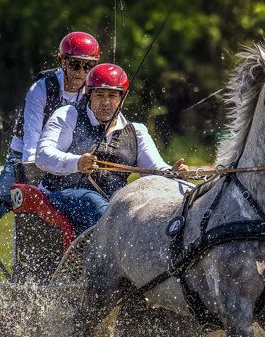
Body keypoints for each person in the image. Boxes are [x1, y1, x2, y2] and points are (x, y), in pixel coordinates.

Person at [0, 32, 101, 284]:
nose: (81, 72)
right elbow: (32, 144)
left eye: (88, 66)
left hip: (69, 161)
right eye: (75, 64)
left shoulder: (94, 92)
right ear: (62, 61)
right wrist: (34, 188)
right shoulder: (41, 89)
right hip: (24, 161)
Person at [35, 63, 187, 233]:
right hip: (57, 197)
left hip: (112, 203)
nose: (106, 102)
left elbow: (153, 169)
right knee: (91, 201)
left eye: (113, 96)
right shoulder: (68, 115)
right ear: (89, 94)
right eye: (100, 95)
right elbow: (42, 156)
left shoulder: (137, 131)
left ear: (123, 98)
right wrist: (77, 162)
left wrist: (171, 172)